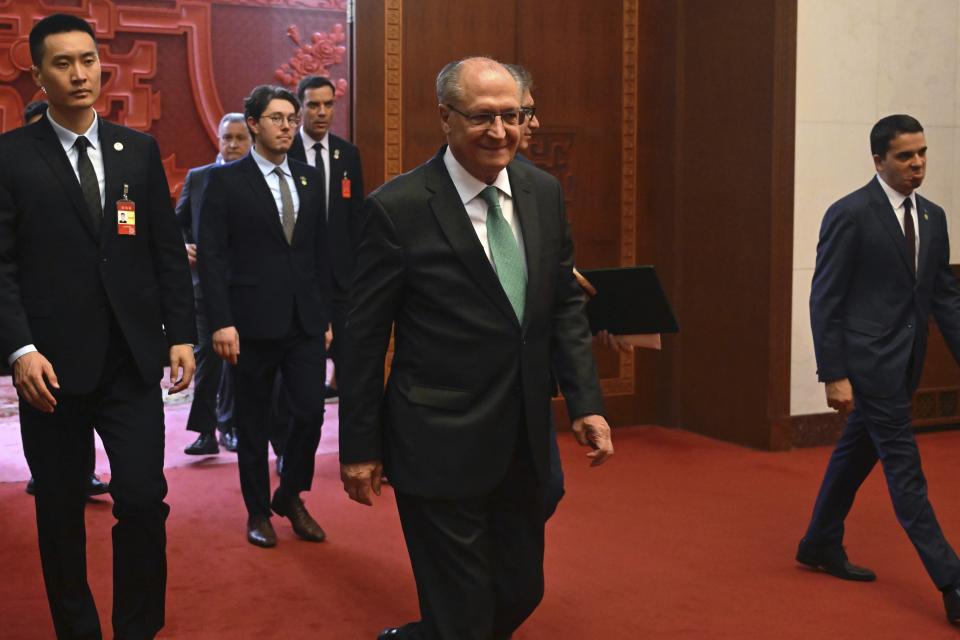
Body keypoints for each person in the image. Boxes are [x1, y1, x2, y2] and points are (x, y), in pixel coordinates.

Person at [339, 56, 614, 640]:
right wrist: (359, 445)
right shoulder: (399, 208)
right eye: (482, 117)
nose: (500, 132)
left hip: (523, 436)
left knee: (521, 589)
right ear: (445, 117)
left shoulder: (543, 192)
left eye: (513, 116)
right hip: (436, 439)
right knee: (462, 610)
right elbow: (363, 340)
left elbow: (562, 303)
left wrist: (587, 402)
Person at [0, 14, 195, 639]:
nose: (80, 74)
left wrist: (181, 332)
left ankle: (138, 628)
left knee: (142, 499)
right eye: (63, 63)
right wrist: (20, 349)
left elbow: (165, 249)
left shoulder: (134, 148)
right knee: (59, 513)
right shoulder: (9, 157)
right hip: (50, 370)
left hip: (130, 362)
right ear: (38, 73)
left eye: (88, 60)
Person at [800, 114, 960, 625]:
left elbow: (944, 298)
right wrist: (834, 372)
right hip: (870, 365)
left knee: (855, 453)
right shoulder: (850, 213)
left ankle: (819, 541)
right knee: (905, 471)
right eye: (905, 156)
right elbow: (825, 298)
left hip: (906, 362)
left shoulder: (933, 217)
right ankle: (952, 580)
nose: (918, 164)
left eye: (923, 153)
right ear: (878, 160)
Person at [199, 84, 332, 548]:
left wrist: (327, 315)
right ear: (253, 124)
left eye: (292, 119)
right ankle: (258, 511)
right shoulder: (225, 182)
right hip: (249, 322)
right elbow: (212, 257)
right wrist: (220, 321)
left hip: (305, 321)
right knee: (252, 423)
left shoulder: (310, 178)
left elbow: (318, 252)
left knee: (311, 413)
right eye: (277, 118)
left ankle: (291, 492)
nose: (288, 126)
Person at [20, 99, 110, 499]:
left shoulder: (105, 164)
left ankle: (83, 471)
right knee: (45, 404)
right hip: (36, 318)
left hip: (94, 318)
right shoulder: (15, 169)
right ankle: (45, 471)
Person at [177, 112, 251, 455]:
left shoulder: (256, 180)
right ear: (218, 140)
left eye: (240, 138)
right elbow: (173, 226)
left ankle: (230, 425)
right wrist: (182, 246)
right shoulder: (198, 177)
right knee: (206, 358)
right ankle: (205, 431)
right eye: (227, 138)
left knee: (237, 361)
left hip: (244, 288)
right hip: (203, 288)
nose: (233, 144)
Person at [288, 74, 365, 404]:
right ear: (300, 108)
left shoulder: (347, 154)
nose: (322, 112)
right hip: (299, 272)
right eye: (313, 105)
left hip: (341, 276)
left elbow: (356, 216)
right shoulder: (285, 149)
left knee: (350, 360)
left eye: (328, 105)